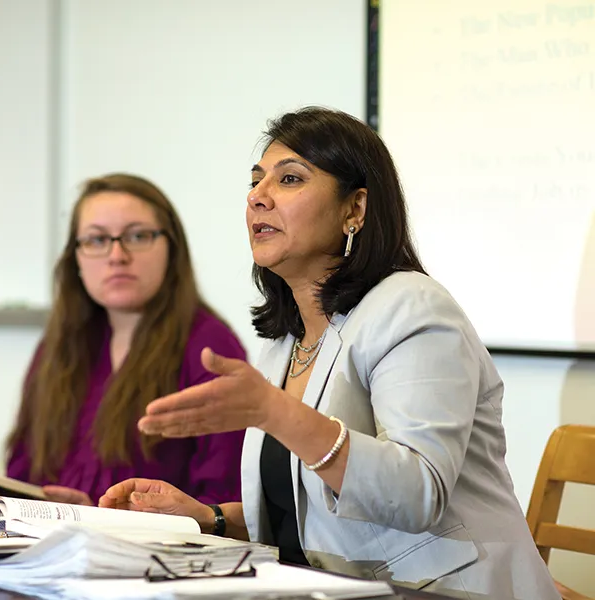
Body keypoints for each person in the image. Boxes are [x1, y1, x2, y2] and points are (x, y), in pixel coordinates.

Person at [98, 109, 560, 599]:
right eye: (255, 183)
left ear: (354, 209)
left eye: (290, 179)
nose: (258, 197)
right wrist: (207, 518)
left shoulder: (413, 308)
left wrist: (275, 412)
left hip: (452, 590)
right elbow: (310, 519)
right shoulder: (287, 340)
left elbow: (418, 492)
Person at [6, 173, 246, 507]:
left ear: (172, 250)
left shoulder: (209, 346)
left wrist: (104, 519)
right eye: (97, 240)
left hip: (164, 555)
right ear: (75, 258)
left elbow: (227, 500)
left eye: (137, 236)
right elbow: (20, 473)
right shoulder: (57, 346)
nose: (117, 255)